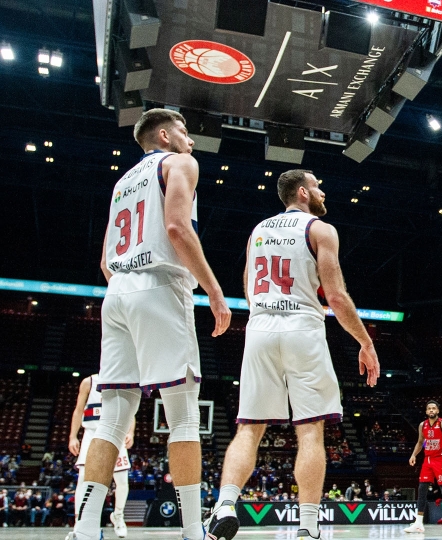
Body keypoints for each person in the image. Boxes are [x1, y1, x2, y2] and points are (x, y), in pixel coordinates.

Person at [68, 108, 232, 540]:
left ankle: (86, 530)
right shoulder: (179, 163)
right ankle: (194, 531)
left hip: (117, 290)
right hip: (160, 285)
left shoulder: (122, 183)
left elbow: (104, 260)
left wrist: (130, 287)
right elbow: (177, 227)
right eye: (184, 131)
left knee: (112, 419)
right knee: (182, 417)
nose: (191, 140)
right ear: (164, 134)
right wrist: (213, 290)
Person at [204, 169, 380, 540]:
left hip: (261, 327)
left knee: (249, 428)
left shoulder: (259, 230)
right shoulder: (319, 229)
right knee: (310, 431)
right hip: (302, 327)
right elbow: (335, 296)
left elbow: (249, 284)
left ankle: (224, 505)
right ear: (303, 193)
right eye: (318, 185)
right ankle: (307, 526)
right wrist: (365, 342)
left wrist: (266, 312)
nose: (323, 190)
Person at [68, 374, 134, 537]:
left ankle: (118, 516)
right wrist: (73, 436)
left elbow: (130, 410)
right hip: (92, 433)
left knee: (122, 480)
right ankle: (80, 521)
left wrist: (131, 432)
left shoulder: (122, 380)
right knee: (83, 478)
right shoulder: (89, 382)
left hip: (116, 432)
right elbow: (78, 410)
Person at [404, 401, 442, 534]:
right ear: (426, 411)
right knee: (422, 489)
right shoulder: (422, 425)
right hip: (427, 460)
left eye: (434, 408)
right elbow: (420, 442)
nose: (431, 410)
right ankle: (418, 523)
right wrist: (413, 455)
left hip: (440, 459)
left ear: (438, 411)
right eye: (429, 408)